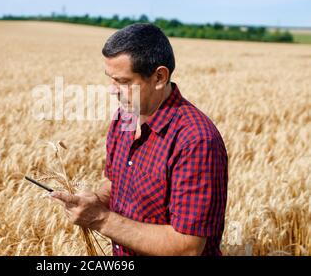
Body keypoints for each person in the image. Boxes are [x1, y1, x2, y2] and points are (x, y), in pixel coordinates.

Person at [50, 23, 228, 256]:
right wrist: (94, 200)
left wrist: (100, 219)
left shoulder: (196, 141)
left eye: (123, 81)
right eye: (110, 79)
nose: (112, 90)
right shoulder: (124, 118)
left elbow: (188, 247)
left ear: (159, 77)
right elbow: (114, 183)